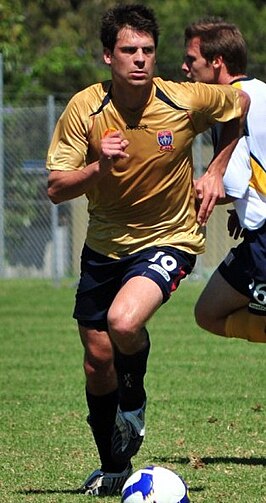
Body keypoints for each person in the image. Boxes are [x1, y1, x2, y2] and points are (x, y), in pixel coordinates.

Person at [46, 5, 249, 496]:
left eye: (147, 51)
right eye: (128, 50)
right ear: (107, 56)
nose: (139, 59)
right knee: (97, 361)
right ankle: (114, 464)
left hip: (170, 238)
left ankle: (133, 402)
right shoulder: (85, 109)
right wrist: (98, 166)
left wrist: (217, 168)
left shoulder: (183, 99)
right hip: (102, 246)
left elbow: (238, 104)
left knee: (123, 321)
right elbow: (55, 187)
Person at [182, 17, 266, 343]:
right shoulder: (261, 91)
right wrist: (246, 205)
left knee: (209, 314)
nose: (185, 67)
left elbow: (224, 187)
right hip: (257, 233)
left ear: (217, 62)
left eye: (192, 60)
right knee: (208, 311)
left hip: (263, 240)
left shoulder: (230, 103)